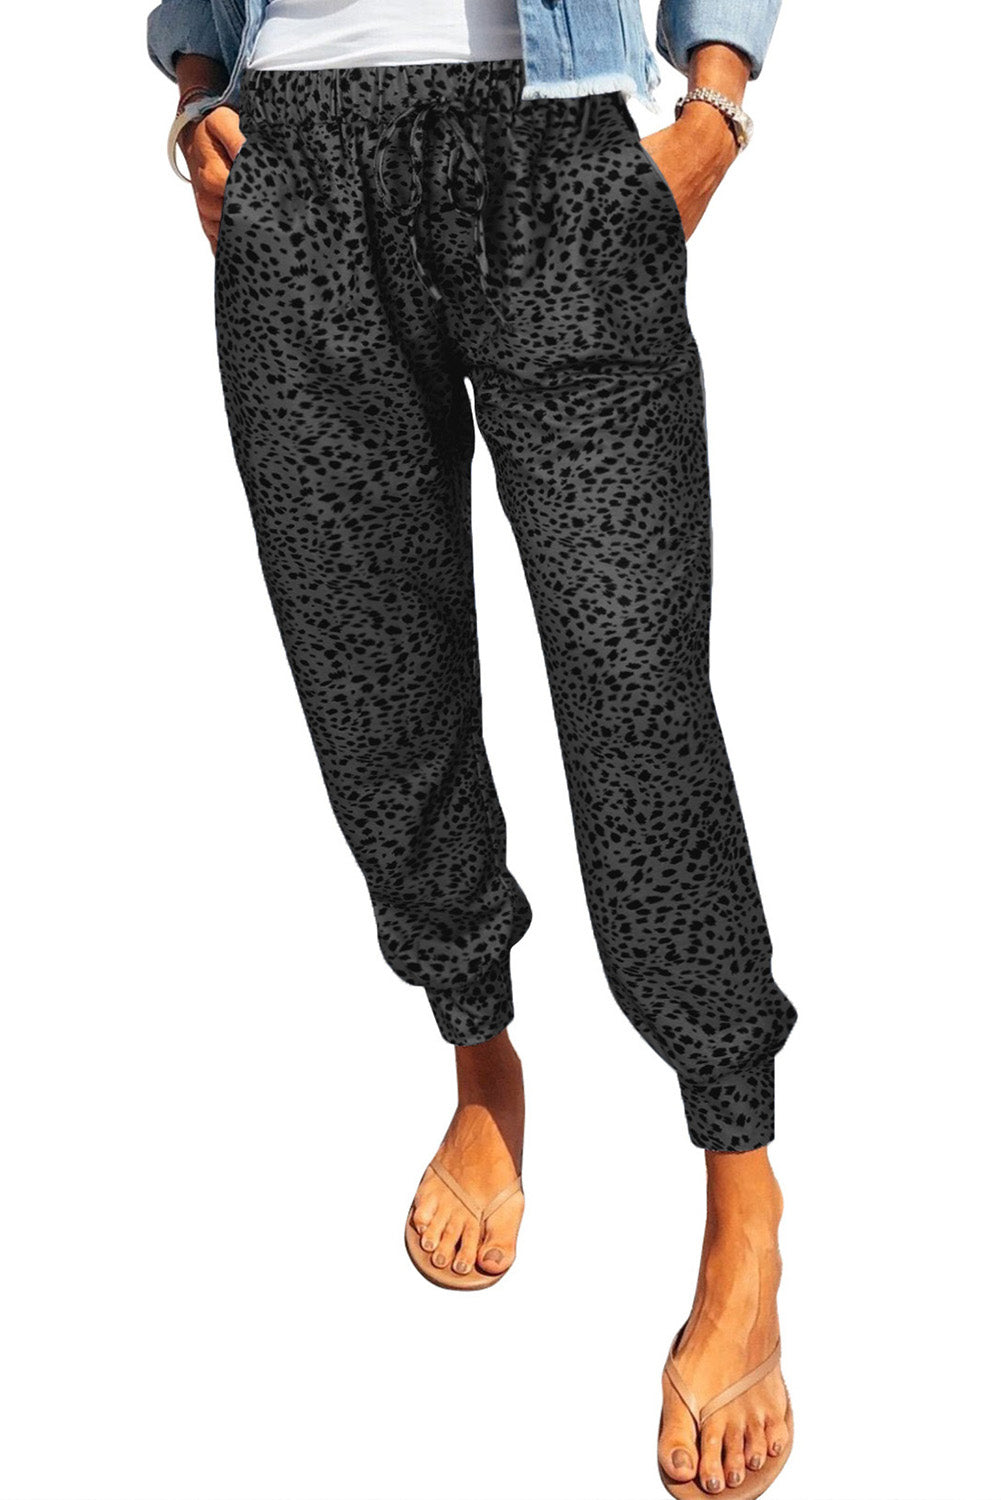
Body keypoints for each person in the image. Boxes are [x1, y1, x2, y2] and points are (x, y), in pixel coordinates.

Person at [147, 1, 798, 1492]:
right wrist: (194, 86)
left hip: (553, 146)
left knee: (635, 694)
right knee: (376, 686)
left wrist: (714, 108)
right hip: (294, 160)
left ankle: (742, 1188)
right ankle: (480, 1056)